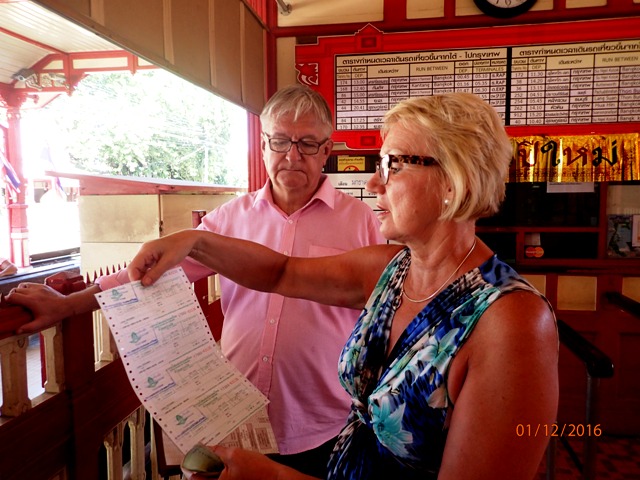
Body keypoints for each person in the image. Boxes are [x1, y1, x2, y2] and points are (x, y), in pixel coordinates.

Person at [126, 92, 559, 480]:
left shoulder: (511, 321)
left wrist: (273, 478)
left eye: (393, 165)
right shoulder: (391, 270)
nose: (373, 183)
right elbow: (279, 273)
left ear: (452, 180)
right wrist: (196, 241)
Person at [6, 84, 385, 477]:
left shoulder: (361, 223)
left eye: (307, 143)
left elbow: (381, 316)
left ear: (326, 150)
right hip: (236, 414)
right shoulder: (230, 220)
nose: (292, 155)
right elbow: (150, 274)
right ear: (263, 145)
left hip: (323, 423)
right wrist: (69, 305)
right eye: (280, 141)